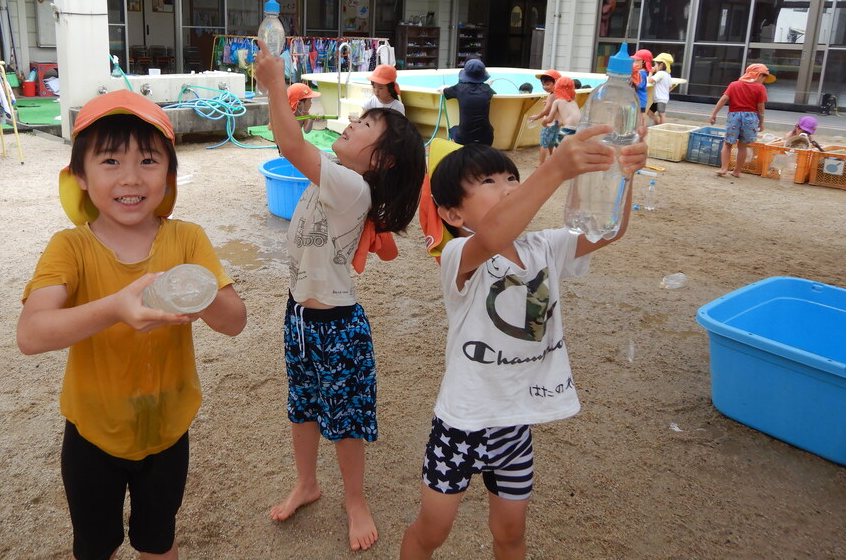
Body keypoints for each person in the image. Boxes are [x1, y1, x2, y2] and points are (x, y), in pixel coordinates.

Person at [17, 90, 247, 560]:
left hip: (168, 428)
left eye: (147, 160)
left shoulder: (187, 239)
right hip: (92, 434)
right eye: (109, 161)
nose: (130, 178)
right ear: (79, 176)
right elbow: (31, 334)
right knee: (95, 546)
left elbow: (234, 322)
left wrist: (196, 292)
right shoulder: (70, 248)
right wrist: (115, 307)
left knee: (157, 539)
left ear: (169, 175)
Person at [404, 126, 649, 560]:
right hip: (462, 426)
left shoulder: (544, 246)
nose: (508, 188)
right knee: (432, 530)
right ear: (453, 215)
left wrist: (624, 176)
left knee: (512, 532)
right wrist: (553, 169)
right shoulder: (460, 257)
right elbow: (495, 234)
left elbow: (609, 232)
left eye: (511, 178)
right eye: (489, 183)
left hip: (515, 425)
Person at [254, 40, 426, 552]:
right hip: (300, 318)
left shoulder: (354, 188)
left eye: (365, 126)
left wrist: (276, 85)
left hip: (337, 326)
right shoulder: (334, 174)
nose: (351, 124)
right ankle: (307, 483)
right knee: (302, 406)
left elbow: (290, 146)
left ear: (384, 161)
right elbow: (297, 149)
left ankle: (356, 499)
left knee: (346, 418)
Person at [709, 62, 775, 178]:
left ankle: (724, 168)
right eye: (764, 76)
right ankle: (737, 171)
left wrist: (714, 114)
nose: (764, 80)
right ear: (758, 75)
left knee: (728, 143)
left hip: (734, 116)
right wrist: (761, 121)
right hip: (751, 118)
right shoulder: (760, 88)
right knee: (743, 146)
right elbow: (760, 106)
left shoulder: (734, 85)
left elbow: (724, 99)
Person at [443, 59, 495, 146]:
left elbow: (444, 92)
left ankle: (458, 150)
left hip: (464, 139)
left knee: (452, 130)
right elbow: (485, 89)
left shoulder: (459, 88)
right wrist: (487, 85)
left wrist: (443, 88)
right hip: (487, 138)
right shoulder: (487, 90)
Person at [525, 69, 560, 165]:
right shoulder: (559, 94)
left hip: (549, 123)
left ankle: (541, 163)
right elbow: (555, 107)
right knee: (552, 143)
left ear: (556, 82)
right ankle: (553, 160)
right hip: (557, 123)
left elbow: (547, 111)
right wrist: (547, 103)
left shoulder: (552, 96)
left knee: (544, 144)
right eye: (543, 84)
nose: (545, 87)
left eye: (547, 84)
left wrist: (536, 117)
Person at [541, 76, 581, 148]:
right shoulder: (574, 102)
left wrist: (544, 122)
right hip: (580, 129)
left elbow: (549, 119)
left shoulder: (557, 101)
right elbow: (567, 119)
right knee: (571, 149)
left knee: (557, 148)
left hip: (569, 129)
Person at [647, 53, 674, 126]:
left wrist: (650, 71)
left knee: (661, 114)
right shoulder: (667, 75)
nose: (654, 66)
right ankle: (658, 126)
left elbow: (649, 80)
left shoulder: (660, 73)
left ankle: (661, 127)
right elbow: (670, 86)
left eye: (655, 64)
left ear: (661, 65)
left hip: (660, 99)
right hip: (660, 98)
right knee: (650, 113)